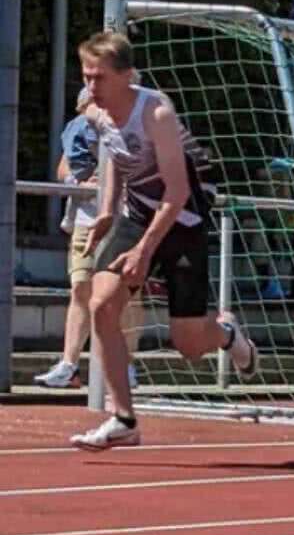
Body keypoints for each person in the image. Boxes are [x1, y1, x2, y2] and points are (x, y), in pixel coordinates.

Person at [68, 31, 260, 451]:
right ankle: (123, 419)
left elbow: (175, 193)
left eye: (98, 77)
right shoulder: (96, 113)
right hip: (136, 215)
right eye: (86, 77)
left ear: (126, 76)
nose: (90, 87)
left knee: (189, 345)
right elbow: (117, 158)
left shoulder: (155, 112)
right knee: (102, 305)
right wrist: (106, 211)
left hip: (181, 220)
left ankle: (226, 333)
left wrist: (144, 250)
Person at [36, 97, 138, 392]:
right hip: (86, 218)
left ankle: (125, 365)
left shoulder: (133, 127)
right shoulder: (77, 130)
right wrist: (79, 182)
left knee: (126, 293)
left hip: (125, 219)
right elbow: (63, 169)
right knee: (80, 287)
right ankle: (69, 365)